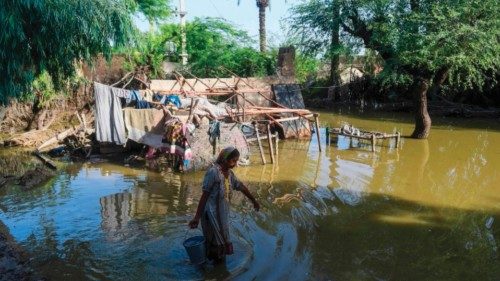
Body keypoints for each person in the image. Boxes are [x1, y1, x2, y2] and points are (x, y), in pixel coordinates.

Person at [188, 146, 260, 263]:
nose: (235, 164)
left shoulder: (230, 174)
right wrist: (197, 217)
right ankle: (213, 269)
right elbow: (204, 196)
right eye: (233, 161)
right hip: (211, 215)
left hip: (222, 215)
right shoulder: (213, 172)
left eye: (236, 161)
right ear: (224, 159)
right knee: (215, 244)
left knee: (220, 243)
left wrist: (254, 200)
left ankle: (213, 267)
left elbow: (241, 186)